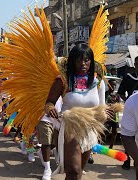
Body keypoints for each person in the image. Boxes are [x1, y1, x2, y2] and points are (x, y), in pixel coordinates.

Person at [45, 43, 111, 179]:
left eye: (86, 60)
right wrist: (51, 108)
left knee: (78, 171)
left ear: (91, 61)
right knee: (74, 170)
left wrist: (107, 113)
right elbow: (49, 102)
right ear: (72, 61)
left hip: (90, 129)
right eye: (79, 59)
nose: (83, 63)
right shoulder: (63, 80)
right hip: (70, 128)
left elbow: (102, 106)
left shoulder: (98, 81)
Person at [118, 55, 138, 170]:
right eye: (137, 64)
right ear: (134, 64)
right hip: (133, 111)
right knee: (129, 135)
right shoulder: (129, 77)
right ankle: (127, 160)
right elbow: (121, 92)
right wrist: (128, 102)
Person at [104, 79, 122, 148]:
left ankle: (111, 147)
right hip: (107, 115)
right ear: (108, 85)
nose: (113, 86)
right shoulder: (106, 94)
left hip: (115, 116)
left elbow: (119, 104)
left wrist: (116, 106)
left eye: (114, 85)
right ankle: (100, 144)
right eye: (111, 84)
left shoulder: (117, 95)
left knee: (114, 132)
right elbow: (104, 103)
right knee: (106, 131)